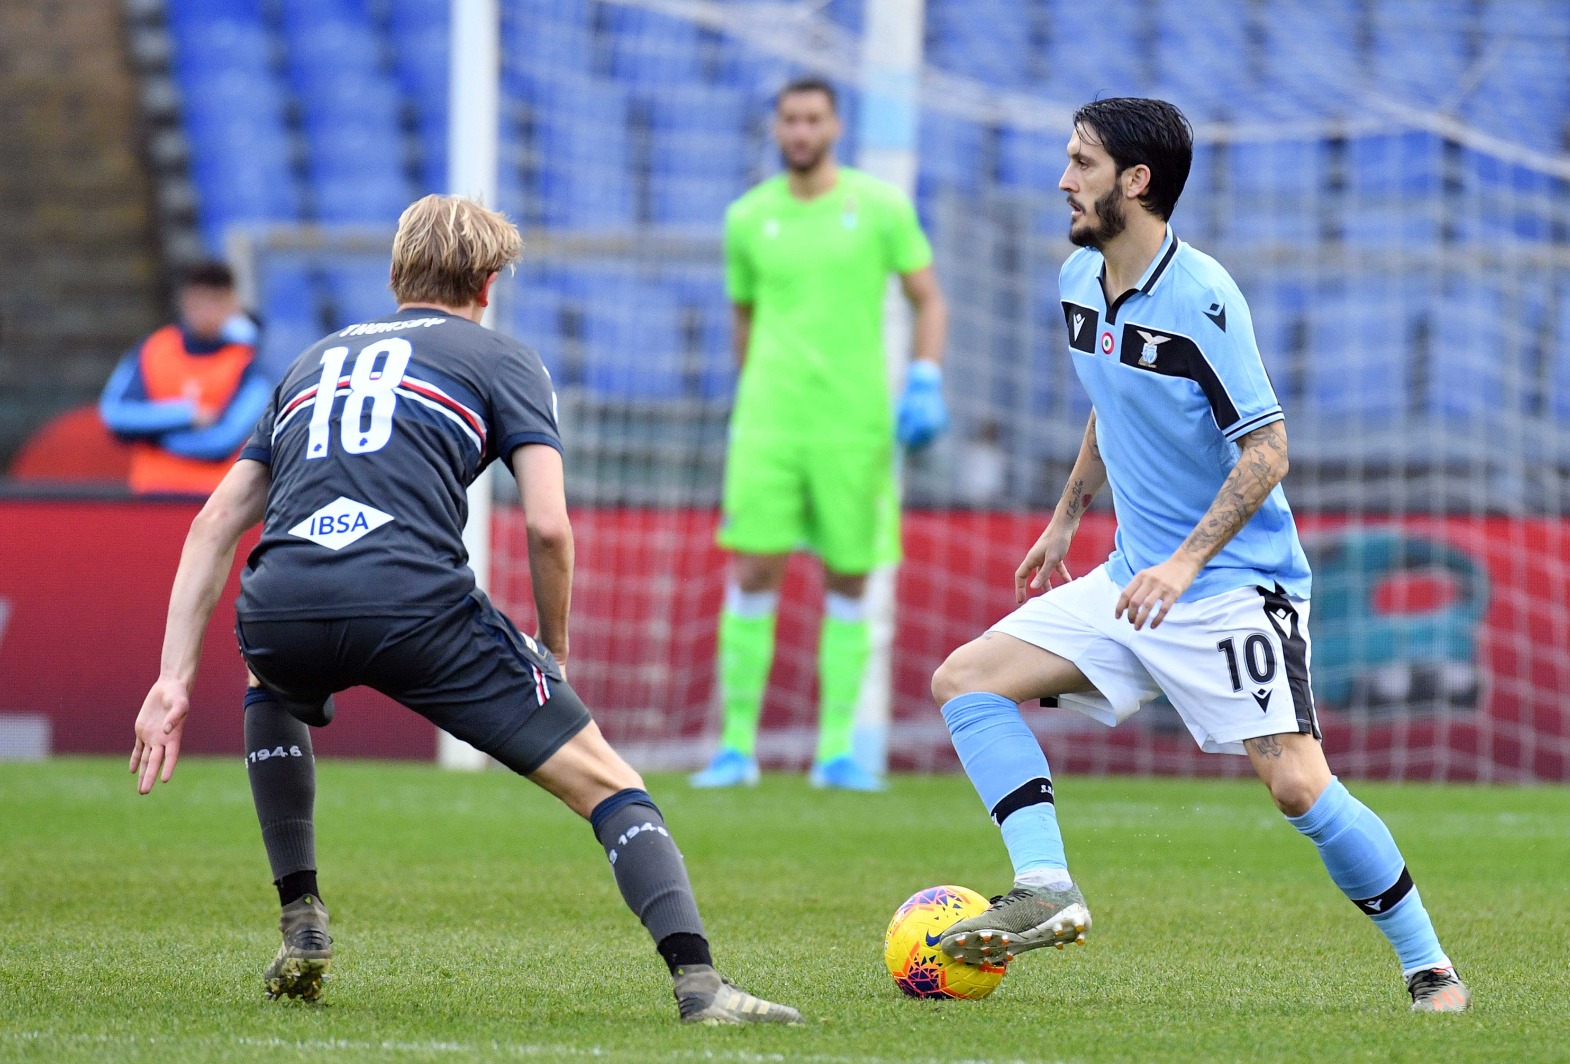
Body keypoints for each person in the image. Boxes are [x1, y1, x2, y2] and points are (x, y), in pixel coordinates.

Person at [128, 195, 802, 1026]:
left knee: (270, 681)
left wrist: (172, 679)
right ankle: (700, 983)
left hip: (282, 602)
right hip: (412, 603)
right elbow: (548, 526)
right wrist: (552, 649)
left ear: (395, 275)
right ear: (488, 282)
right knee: (609, 783)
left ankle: (301, 914)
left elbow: (214, 523)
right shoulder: (503, 358)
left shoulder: (311, 362)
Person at [927, 99, 1470, 1013]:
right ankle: (1046, 886)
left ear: (1136, 182)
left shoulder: (1204, 298)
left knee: (1298, 786)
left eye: (1083, 164)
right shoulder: (1077, 278)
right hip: (1130, 581)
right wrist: (1066, 516)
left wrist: (1182, 565)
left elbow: (1268, 450)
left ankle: (1432, 970)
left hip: (1229, 590)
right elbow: (1111, 399)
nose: (1063, 180)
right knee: (966, 680)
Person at [693, 77, 950, 792]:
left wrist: (925, 377)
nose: (802, 131)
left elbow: (928, 298)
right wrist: (754, 394)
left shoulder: (880, 207)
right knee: (752, 570)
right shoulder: (748, 217)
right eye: (790, 120)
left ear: (835, 126)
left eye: (813, 119)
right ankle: (735, 748)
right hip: (770, 423)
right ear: (777, 129)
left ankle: (836, 750)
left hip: (853, 423)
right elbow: (743, 317)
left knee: (850, 575)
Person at [99, 261, 271, 495]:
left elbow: (224, 441)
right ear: (184, 301)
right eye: (198, 301)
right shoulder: (153, 349)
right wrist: (188, 415)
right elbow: (116, 416)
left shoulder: (248, 363)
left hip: (216, 499)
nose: (205, 311)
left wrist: (155, 438)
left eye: (215, 301)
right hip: (151, 493)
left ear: (232, 304)